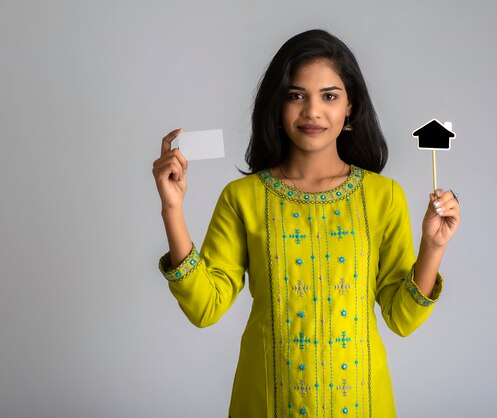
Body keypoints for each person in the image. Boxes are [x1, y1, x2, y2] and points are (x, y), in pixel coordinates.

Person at [152, 29, 460, 418]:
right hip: (266, 403)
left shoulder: (384, 196)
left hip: (361, 404)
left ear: (350, 107)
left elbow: (402, 317)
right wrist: (172, 210)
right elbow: (204, 307)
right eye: (296, 95)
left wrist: (433, 247)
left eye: (329, 96)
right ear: (277, 106)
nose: (312, 111)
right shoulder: (243, 197)